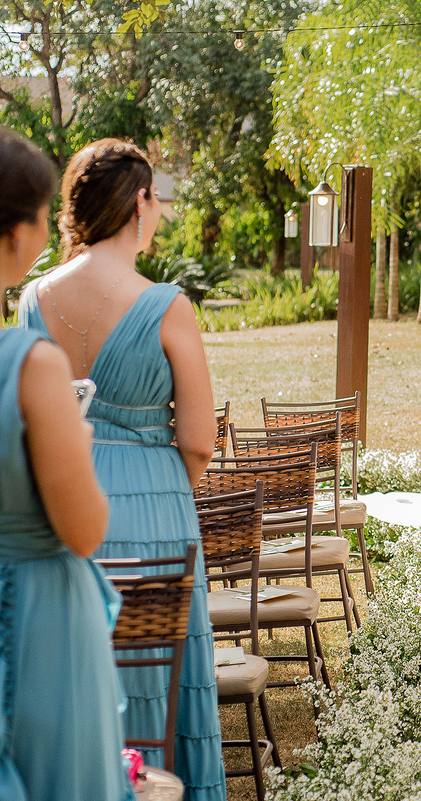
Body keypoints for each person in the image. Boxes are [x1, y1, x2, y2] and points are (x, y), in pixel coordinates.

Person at [17, 140, 224, 799]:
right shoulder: (167, 304)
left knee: (74, 675)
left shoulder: (32, 299)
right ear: (139, 202)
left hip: (56, 510)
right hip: (157, 507)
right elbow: (198, 440)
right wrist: (163, 489)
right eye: (156, 199)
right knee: (164, 677)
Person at [0, 128, 133, 801]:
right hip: (37, 619)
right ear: (18, 234)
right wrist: (74, 444)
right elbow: (84, 529)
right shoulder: (29, 366)